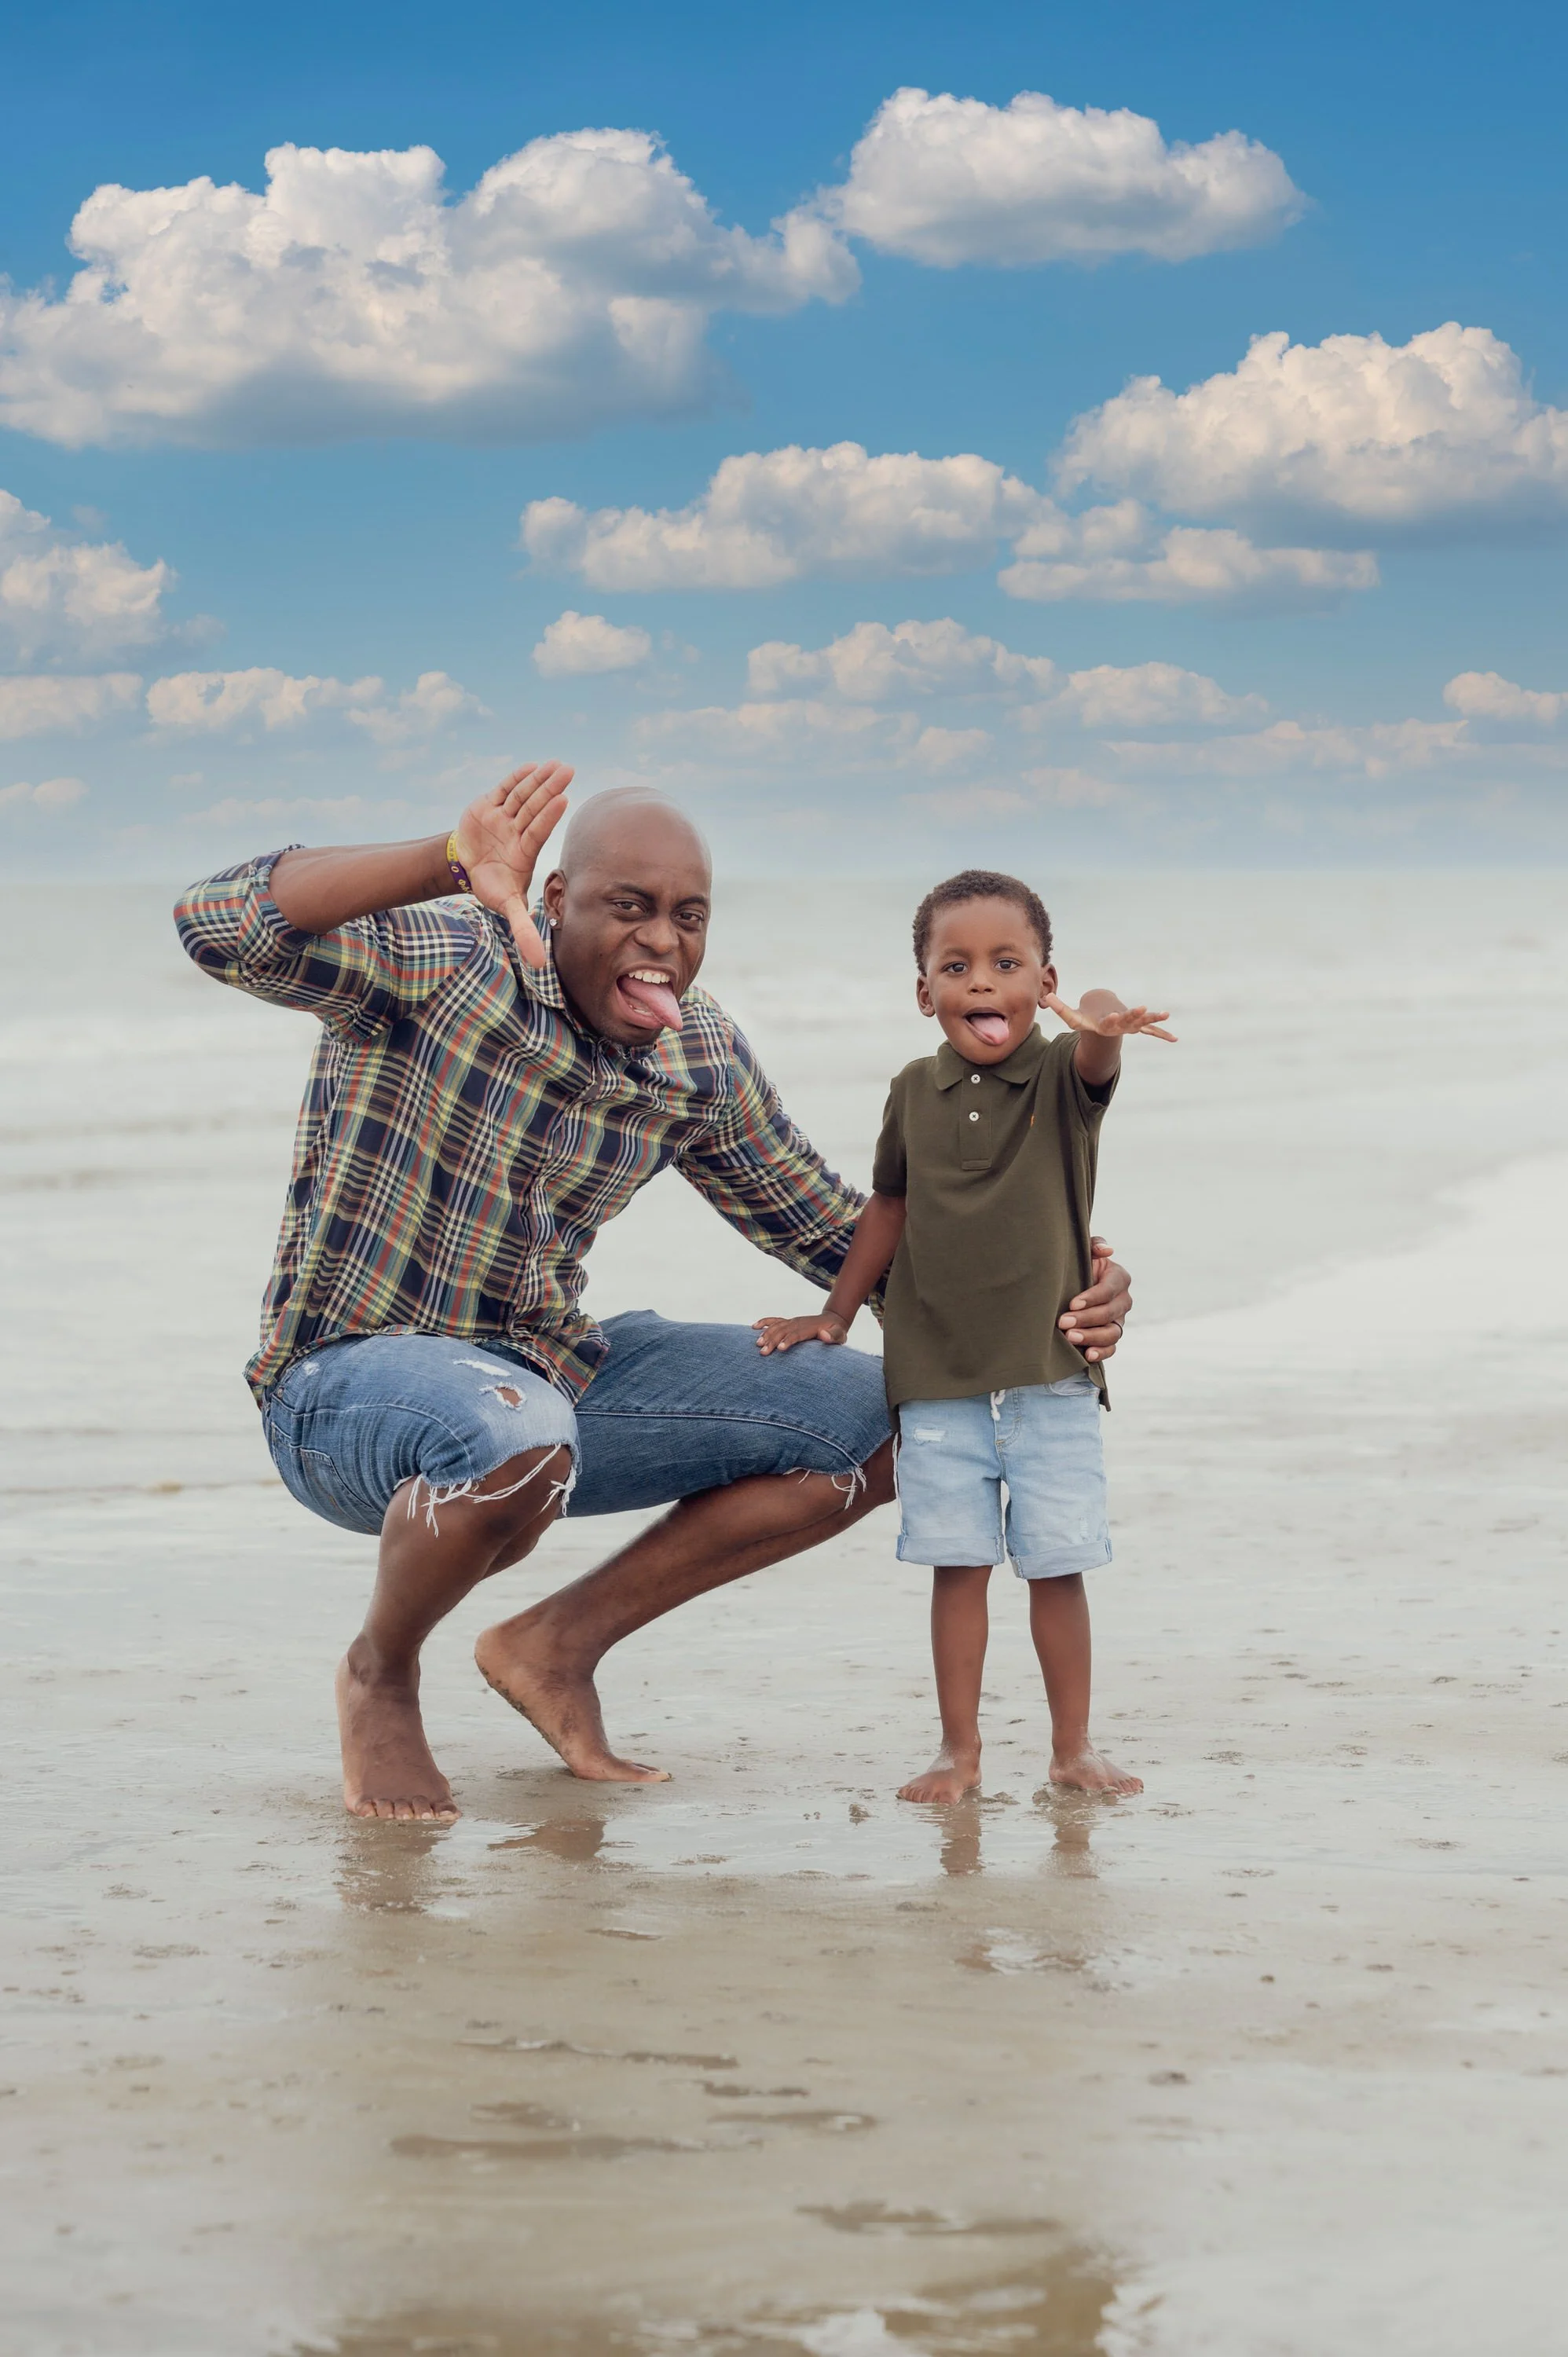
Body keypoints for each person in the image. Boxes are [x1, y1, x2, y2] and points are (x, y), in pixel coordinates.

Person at [174, 777, 1135, 1820]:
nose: (662, 941)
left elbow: (838, 1231)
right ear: (554, 898)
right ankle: (382, 1672)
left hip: (549, 1382)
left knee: (899, 1412)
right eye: (627, 906)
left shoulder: (695, 1055)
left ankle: (554, 1648)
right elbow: (215, 922)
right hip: (342, 1393)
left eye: (688, 917)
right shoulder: (447, 962)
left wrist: (1065, 1300)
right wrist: (441, 858)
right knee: (514, 1425)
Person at [754, 868, 1172, 1802]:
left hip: (1048, 1374)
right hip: (936, 1376)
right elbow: (888, 1209)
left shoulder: (1064, 1077)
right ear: (923, 993)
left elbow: (1101, 1044)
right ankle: (959, 1753)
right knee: (957, 1567)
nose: (982, 984)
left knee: (1057, 1566)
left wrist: (1091, 1016)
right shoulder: (912, 1089)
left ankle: (1072, 1751)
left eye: (1007, 964)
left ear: (1044, 980)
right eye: (958, 966)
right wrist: (832, 1311)